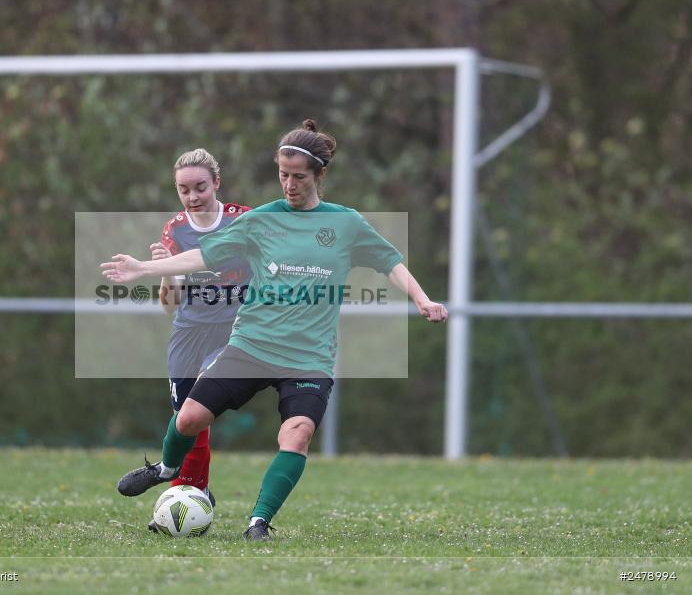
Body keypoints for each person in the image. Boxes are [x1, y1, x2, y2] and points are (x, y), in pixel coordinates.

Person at [102, 120, 447, 540]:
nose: (289, 184)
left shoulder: (346, 223)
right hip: (251, 345)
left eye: (299, 176)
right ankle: (167, 469)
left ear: (320, 175)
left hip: (308, 357)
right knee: (188, 417)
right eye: (283, 175)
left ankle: (258, 522)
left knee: (297, 434)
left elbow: (389, 260)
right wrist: (144, 268)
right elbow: (201, 258)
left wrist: (421, 298)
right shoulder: (262, 220)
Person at [146, 148, 251, 532]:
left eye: (200, 187)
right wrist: (163, 271)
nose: (192, 197)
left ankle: (182, 491)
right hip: (189, 332)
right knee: (184, 418)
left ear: (217, 183)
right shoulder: (174, 230)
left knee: (197, 405)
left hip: (235, 328)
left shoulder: (244, 220)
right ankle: (193, 495)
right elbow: (169, 305)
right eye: (183, 189)